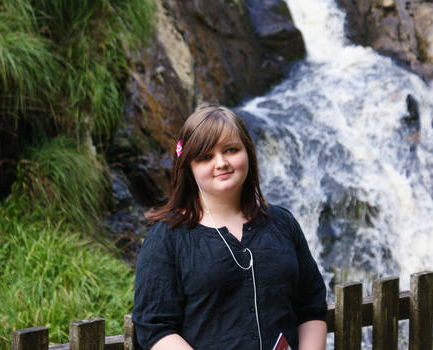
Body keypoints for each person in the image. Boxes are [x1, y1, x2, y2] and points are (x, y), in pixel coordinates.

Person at [133, 105, 328, 350]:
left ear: (248, 152)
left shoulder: (282, 223)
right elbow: (154, 325)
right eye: (206, 156)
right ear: (189, 167)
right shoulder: (167, 237)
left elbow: (311, 306)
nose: (221, 162)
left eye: (231, 150)